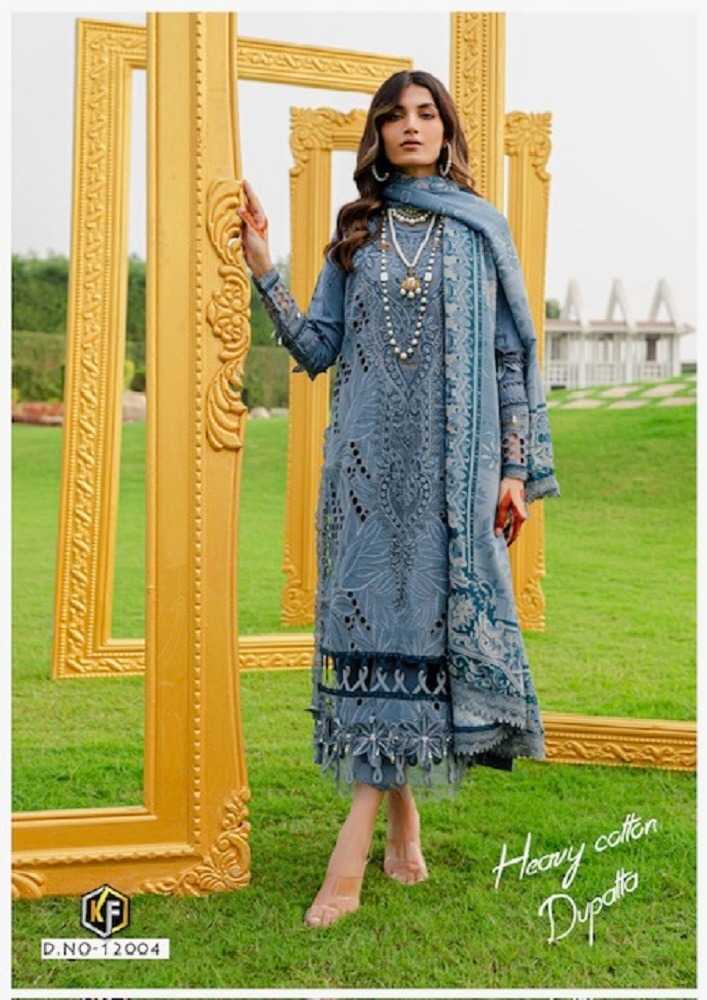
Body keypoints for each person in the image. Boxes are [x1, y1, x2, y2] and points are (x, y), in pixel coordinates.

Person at [238, 69, 560, 929]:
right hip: (366, 479)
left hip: (453, 481)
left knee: (421, 642)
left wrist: (514, 469)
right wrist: (264, 269)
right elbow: (316, 348)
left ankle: (347, 861)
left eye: (425, 113)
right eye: (394, 116)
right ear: (377, 135)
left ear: (446, 131)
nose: (410, 126)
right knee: (380, 646)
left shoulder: (479, 230)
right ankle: (402, 823)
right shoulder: (357, 232)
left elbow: (509, 358)